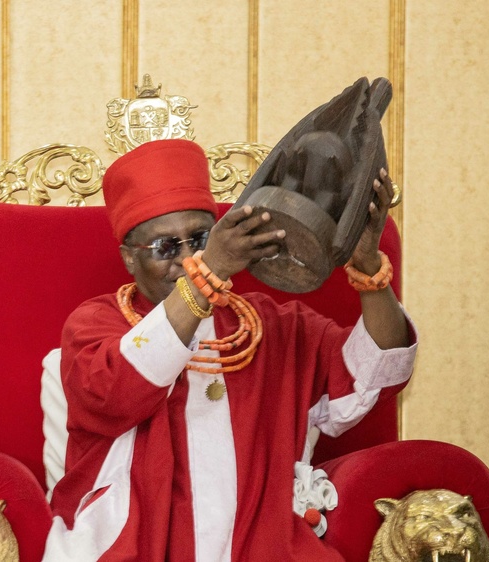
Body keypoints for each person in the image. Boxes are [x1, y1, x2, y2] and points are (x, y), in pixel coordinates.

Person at [43, 139, 415, 560]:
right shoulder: (96, 324)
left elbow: (376, 373)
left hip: (264, 546)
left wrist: (368, 267)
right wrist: (211, 270)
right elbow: (118, 392)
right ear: (129, 258)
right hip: (135, 546)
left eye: (201, 239)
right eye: (166, 247)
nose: (188, 258)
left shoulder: (273, 325)